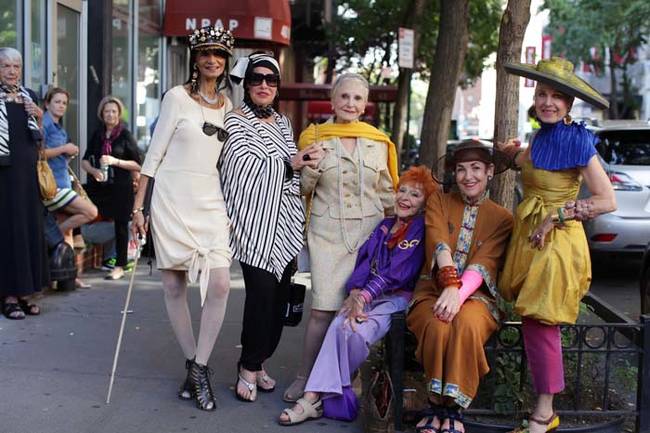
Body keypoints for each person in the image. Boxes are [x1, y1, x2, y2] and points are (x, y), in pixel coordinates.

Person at [498, 57, 616, 433]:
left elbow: (606, 200)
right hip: (532, 238)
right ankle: (544, 410)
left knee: (542, 322)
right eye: (542, 94)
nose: (548, 102)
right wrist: (507, 154)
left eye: (557, 97)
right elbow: (529, 163)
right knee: (534, 321)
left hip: (558, 242)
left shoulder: (577, 139)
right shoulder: (541, 136)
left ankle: (544, 414)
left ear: (569, 104)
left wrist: (557, 217)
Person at [278, 166, 435, 426]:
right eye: (402, 190)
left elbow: (399, 271)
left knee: (357, 333)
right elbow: (364, 261)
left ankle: (324, 391)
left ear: (424, 203)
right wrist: (353, 292)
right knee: (339, 323)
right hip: (366, 295)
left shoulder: (418, 229)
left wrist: (363, 297)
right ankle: (312, 397)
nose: (405, 198)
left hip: (394, 299)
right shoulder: (385, 226)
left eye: (415, 195)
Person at [131, 25, 235, 412]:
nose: (212, 59)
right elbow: (153, 155)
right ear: (196, 58)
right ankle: (196, 367)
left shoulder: (228, 107)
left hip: (210, 200)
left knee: (220, 283)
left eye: (219, 54)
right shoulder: (175, 97)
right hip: (172, 198)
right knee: (174, 286)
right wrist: (138, 208)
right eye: (206, 52)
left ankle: (199, 366)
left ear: (226, 62)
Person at [283, 72, 399, 403]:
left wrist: (395, 231)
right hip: (327, 234)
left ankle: (347, 377)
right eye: (344, 97)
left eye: (357, 98)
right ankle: (306, 377)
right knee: (322, 310)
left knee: (355, 311)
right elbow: (302, 189)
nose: (350, 103)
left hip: (369, 235)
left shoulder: (378, 140)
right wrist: (313, 167)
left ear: (366, 105)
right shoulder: (315, 136)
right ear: (333, 101)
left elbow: (387, 191)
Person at [220, 51, 321, 403]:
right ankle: (247, 367)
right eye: (257, 79)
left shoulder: (282, 123)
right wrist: (290, 163)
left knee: (279, 302)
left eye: (271, 80)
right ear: (246, 84)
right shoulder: (233, 121)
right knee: (260, 300)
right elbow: (240, 170)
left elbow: (292, 173)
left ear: (277, 87)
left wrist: (304, 165)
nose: (264, 85)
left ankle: (260, 362)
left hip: (285, 224)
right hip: (252, 225)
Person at [407, 140, 514, 433]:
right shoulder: (438, 201)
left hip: (478, 297)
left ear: (490, 171)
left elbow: (485, 261)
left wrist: (459, 293)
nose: (468, 176)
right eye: (461, 169)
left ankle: (453, 410)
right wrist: (450, 285)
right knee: (438, 324)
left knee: (466, 323)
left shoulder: (503, 218)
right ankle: (435, 404)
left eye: (476, 168)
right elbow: (438, 240)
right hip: (432, 290)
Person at [0, 47, 48, 319]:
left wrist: (39, 116)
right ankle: (8, 296)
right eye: (6, 65)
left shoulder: (29, 95)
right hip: (4, 177)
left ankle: (26, 292)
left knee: (28, 229)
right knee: (9, 231)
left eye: (16, 66)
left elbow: (40, 139)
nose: (11, 71)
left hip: (28, 175)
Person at [42, 87, 98, 288]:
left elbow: (55, 155)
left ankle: (69, 276)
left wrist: (66, 153)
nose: (61, 106)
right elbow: (39, 154)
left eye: (64, 103)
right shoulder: (44, 125)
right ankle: (48, 236)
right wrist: (64, 148)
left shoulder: (60, 128)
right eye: (57, 102)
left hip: (63, 182)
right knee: (91, 211)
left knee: (69, 231)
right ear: (47, 104)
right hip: (52, 187)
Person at [82, 95, 141, 280]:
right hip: (100, 187)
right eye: (107, 111)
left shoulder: (125, 135)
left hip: (121, 187)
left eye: (114, 111)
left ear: (119, 114)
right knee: (86, 211)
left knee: (121, 225)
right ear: (102, 113)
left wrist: (115, 161)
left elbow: (138, 164)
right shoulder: (97, 134)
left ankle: (120, 265)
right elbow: (84, 160)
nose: (110, 115)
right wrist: (93, 171)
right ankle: (90, 249)